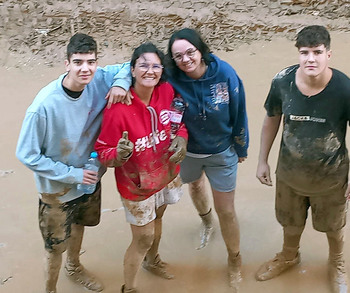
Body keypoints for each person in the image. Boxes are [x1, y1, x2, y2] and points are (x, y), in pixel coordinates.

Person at [16, 33, 131, 293]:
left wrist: (121, 84)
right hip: (56, 187)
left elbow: (129, 65)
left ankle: (74, 266)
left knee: (80, 224)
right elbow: (27, 154)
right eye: (78, 62)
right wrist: (72, 175)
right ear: (66, 63)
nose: (85, 68)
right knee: (54, 246)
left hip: (90, 177)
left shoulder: (100, 78)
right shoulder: (43, 106)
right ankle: (50, 289)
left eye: (91, 62)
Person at [255, 25, 350, 293]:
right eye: (304, 52)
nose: (311, 59)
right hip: (289, 174)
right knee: (290, 222)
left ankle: (337, 262)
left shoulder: (344, 89)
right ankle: (289, 256)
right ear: (298, 54)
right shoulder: (282, 81)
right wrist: (262, 160)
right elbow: (271, 119)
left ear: (328, 54)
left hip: (331, 178)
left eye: (317, 52)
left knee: (333, 227)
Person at [94, 42, 188, 293]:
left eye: (156, 65)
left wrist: (182, 138)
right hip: (136, 186)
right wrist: (119, 154)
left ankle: (152, 260)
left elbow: (178, 123)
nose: (150, 71)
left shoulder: (167, 91)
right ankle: (130, 288)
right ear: (132, 70)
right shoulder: (117, 108)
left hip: (165, 174)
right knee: (143, 237)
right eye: (143, 65)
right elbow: (103, 152)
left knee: (159, 218)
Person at [166, 28, 249, 290]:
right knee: (194, 184)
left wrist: (241, 147)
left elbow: (239, 110)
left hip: (221, 151)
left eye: (190, 52)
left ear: (201, 50)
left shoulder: (224, 73)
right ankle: (205, 220)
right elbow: (136, 67)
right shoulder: (169, 77)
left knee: (227, 210)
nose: (186, 59)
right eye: (178, 56)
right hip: (187, 151)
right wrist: (122, 84)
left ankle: (235, 259)